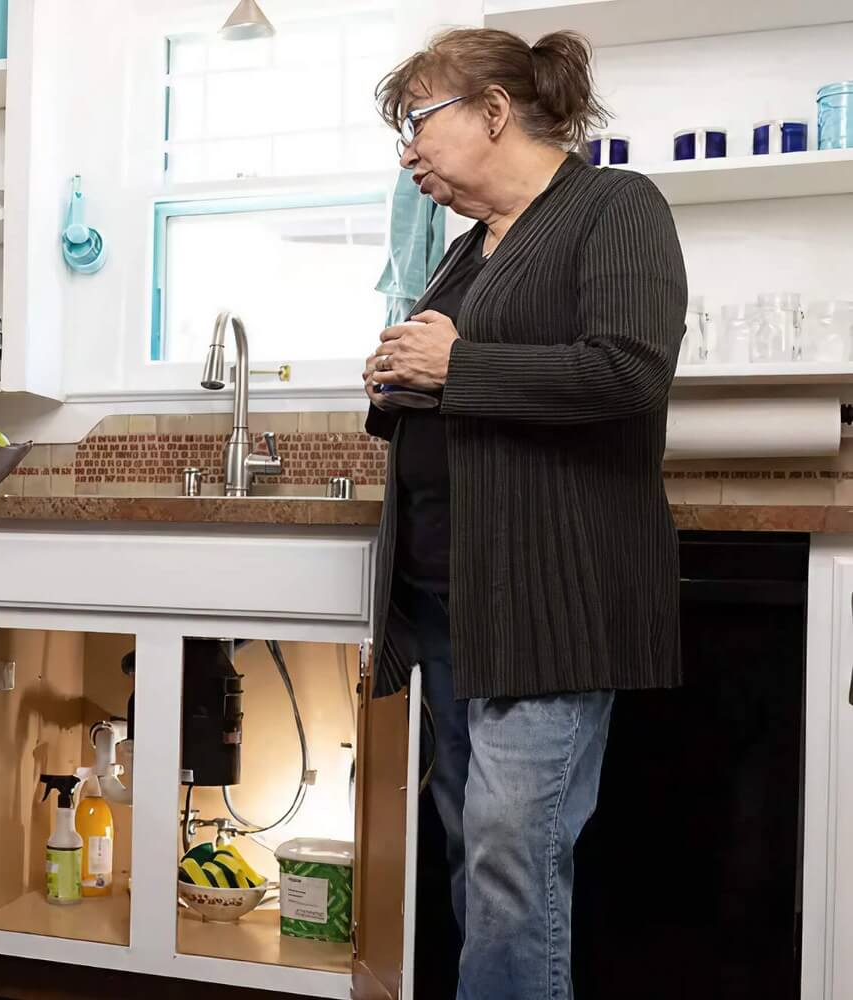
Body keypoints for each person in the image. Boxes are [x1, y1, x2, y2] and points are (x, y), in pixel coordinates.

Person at [362, 28, 686, 1000]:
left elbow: (629, 372)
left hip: (550, 603)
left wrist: (453, 364)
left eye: (417, 124)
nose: (409, 154)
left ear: (494, 110)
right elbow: (450, 379)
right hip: (452, 605)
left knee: (512, 858)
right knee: (476, 851)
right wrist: (397, 375)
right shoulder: (468, 247)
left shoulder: (614, 208)